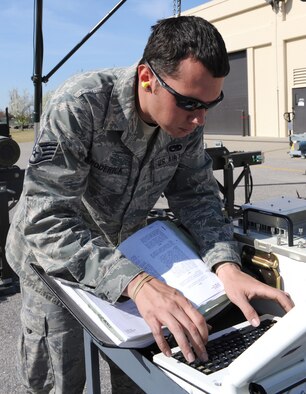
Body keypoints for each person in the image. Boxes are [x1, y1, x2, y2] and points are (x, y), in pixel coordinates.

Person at [6, 15, 293, 394]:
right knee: (58, 380)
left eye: (211, 103)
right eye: (189, 103)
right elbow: (46, 218)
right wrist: (137, 282)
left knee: (146, 368)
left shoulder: (187, 118)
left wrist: (225, 264)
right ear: (147, 79)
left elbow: (196, 195)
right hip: (56, 266)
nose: (199, 118)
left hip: (128, 252)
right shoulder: (80, 105)